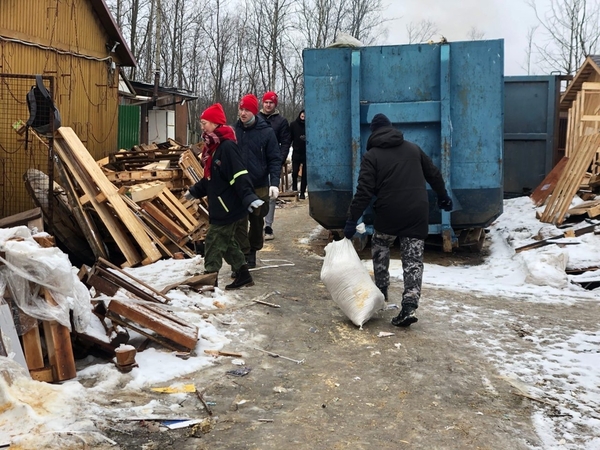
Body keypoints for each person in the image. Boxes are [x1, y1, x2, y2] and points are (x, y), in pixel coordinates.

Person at [343, 113, 453, 327]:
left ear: (374, 132)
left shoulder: (372, 156)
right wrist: (443, 197)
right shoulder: (413, 148)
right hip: (417, 211)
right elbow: (434, 174)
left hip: (389, 211)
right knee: (413, 261)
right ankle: (409, 306)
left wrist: (351, 219)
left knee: (381, 244)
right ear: (391, 128)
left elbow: (364, 191)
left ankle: (381, 290)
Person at [184, 103, 264, 290]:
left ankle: (209, 279)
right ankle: (243, 275)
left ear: (215, 123)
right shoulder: (212, 148)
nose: (202, 127)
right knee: (227, 243)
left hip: (229, 206)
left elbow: (239, 174)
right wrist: (194, 191)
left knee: (213, 240)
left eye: (205, 123)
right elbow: (211, 179)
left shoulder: (227, 147)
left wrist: (249, 197)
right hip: (221, 205)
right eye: (201, 123)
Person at [233, 94, 281, 269]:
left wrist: (274, 182)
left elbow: (274, 159)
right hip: (239, 185)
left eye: (247, 110)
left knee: (256, 220)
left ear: (253, 111)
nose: (243, 113)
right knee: (239, 222)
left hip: (259, 184)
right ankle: (243, 256)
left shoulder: (266, 132)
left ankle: (253, 250)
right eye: (241, 109)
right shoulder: (234, 131)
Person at [259, 91, 291, 240]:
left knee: (271, 194)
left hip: (273, 161)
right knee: (257, 192)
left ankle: (268, 225)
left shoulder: (281, 121)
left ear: (275, 104)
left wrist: (280, 158)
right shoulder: (256, 118)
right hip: (257, 162)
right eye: (266, 102)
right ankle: (256, 224)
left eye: (271, 102)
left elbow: (285, 142)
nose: (268, 105)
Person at [289, 109, 306, 199]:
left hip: (306, 153)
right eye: (302, 116)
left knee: (305, 174)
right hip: (296, 151)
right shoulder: (293, 125)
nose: (303, 118)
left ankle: (302, 192)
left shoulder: (309, 125)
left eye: (305, 117)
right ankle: (295, 189)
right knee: (295, 172)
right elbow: (290, 137)